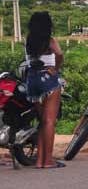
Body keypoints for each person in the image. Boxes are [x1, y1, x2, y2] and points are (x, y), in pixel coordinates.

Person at [24, 12, 65, 169]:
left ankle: (40, 160)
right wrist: (56, 67)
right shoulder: (49, 41)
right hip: (48, 80)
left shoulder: (29, 41)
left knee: (42, 121)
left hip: (32, 80)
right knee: (49, 122)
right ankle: (48, 160)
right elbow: (59, 54)